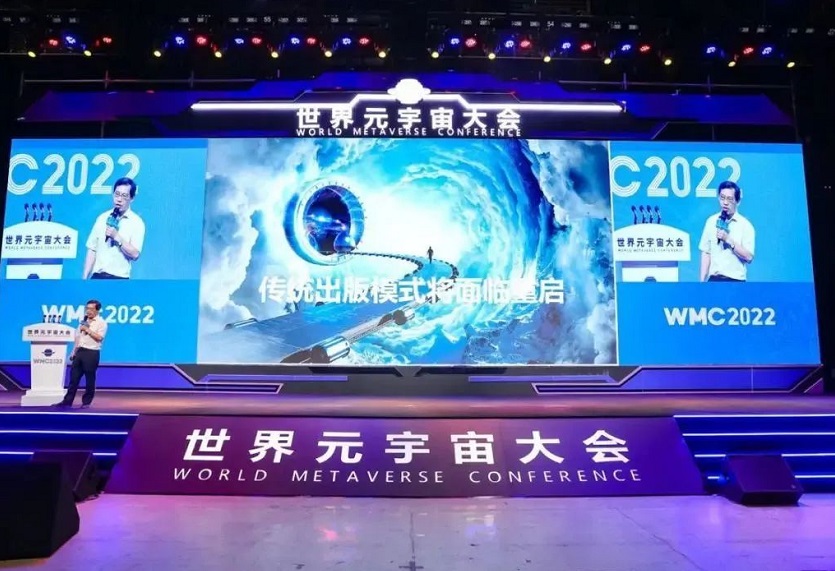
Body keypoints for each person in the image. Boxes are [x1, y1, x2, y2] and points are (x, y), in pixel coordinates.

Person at [84, 177, 145, 279]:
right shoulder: (102, 218)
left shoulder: (136, 223)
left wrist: (117, 237)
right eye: (117, 194)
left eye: (124, 196)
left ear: (132, 198)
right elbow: (92, 249)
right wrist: (85, 278)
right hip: (97, 277)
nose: (119, 199)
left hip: (119, 279)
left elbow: (135, 254)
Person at [699, 181, 756, 282]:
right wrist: (702, 282)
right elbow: (706, 252)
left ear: (738, 201)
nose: (725, 202)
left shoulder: (746, 226)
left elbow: (749, 257)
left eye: (729, 199)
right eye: (722, 198)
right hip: (714, 280)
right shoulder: (711, 221)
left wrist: (729, 241)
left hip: (736, 281)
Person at [56, 300, 108, 409]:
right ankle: (67, 401)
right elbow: (78, 337)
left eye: (91, 309)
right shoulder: (83, 321)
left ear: (97, 310)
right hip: (80, 352)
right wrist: (73, 351)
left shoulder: (101, 322)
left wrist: (87, 329)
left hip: (91, 353)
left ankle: (86, 402)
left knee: (90, 379)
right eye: (87, 308)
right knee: (73, 379)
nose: (88, 311)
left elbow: (99, 338)